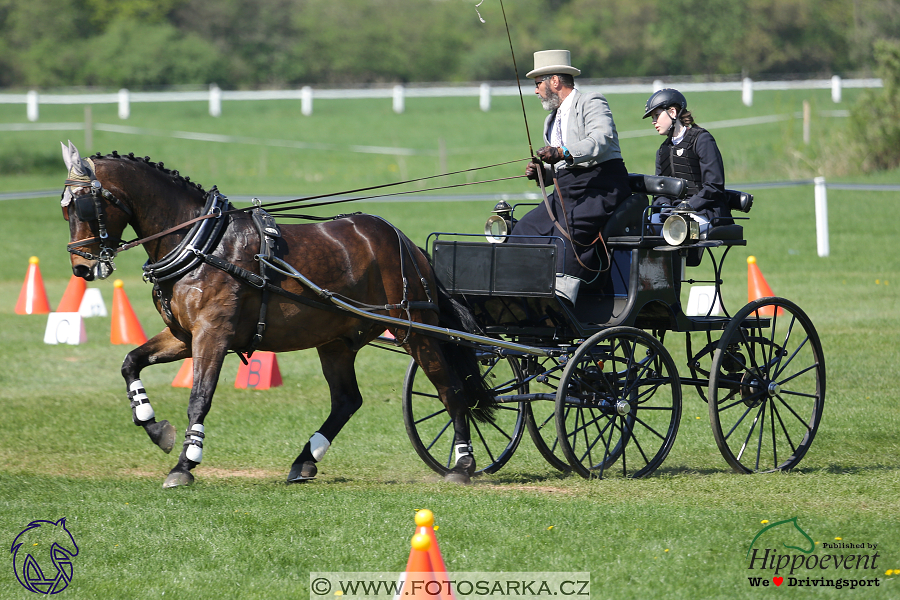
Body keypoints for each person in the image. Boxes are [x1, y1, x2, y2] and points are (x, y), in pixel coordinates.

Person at [514, 49, 631, 282]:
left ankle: (562, 298)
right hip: (567, 194)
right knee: (523, 229)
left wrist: (561, 151)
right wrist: (542, 174)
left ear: (555, 81)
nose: (536, 90)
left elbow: (601, 140)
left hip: (600, 188)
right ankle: (519, 290)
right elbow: (562, 170)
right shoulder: (551, 119)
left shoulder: (591, 101)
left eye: (538, 84)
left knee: (564, 237)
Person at [642, 88, 731, 233]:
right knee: (644, 228)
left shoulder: (702, 140)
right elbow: (660, 190)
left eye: (656, 116)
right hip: (674, 214)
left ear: (672, 112)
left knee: (676, 229)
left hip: (705, 212)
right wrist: (665, 206)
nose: (653, 122)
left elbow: (714, 186)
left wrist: (686, 207)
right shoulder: (662, 150)